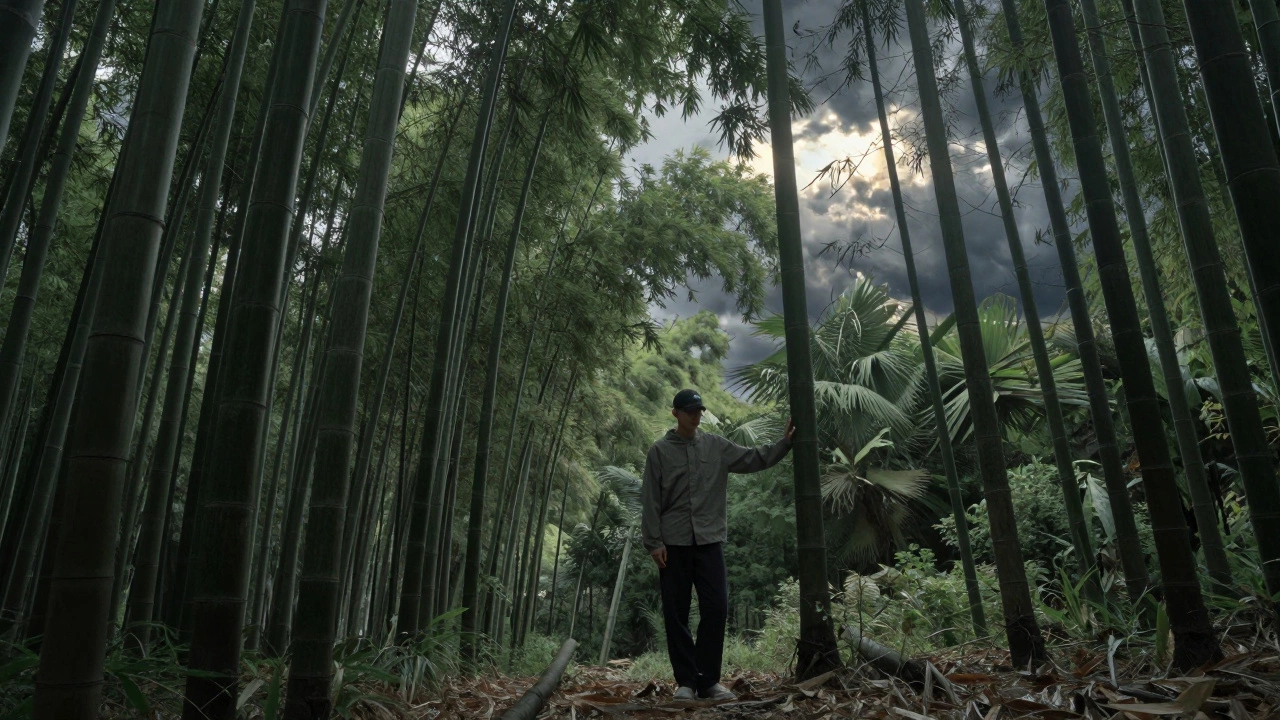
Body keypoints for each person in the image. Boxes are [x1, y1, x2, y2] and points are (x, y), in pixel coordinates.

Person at [640, 388, 794, 701]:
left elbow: (753, 458)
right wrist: (653, 543)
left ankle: (708, 681)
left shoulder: (715, 445)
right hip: (673, 543)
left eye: (699, 410)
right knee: (676, 612)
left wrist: (785, 443)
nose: (696, 416)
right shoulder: (659, 451)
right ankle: (685, 682)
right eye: (689, 411)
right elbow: (651, 500)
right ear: (676, 414)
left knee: (717, 608)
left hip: (709, 540)